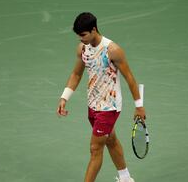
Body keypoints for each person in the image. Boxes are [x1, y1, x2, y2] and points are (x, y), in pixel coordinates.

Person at [56, 12, 146, 182]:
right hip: (93, 105)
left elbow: (130, 79)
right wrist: (64, 97)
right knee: (110, 140)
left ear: (94, 30)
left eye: (83, 35)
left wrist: (139, 106)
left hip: (109, 107)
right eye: (78, 36)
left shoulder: (113, 50)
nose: (81, 39)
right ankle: (126, 178)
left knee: (95, 149)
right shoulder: (83, 49)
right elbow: (76, 74)